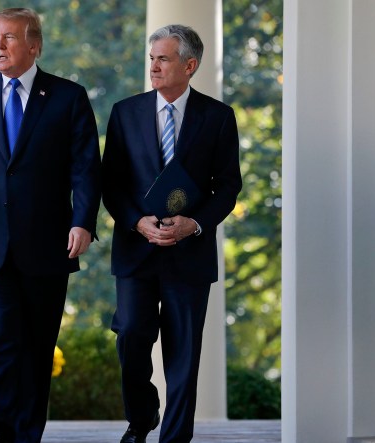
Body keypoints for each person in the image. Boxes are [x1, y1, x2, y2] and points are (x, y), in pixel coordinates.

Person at [0, 7, 101, 443]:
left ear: (34, 45)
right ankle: (1, 426)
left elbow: (86, 169)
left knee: (37, 343)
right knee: (2, 335)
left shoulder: (68, 97)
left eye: (9, 38)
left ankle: (27, 433)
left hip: (48, 242)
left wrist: (83, 222)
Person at [101, 24, 242, 443]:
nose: (154, 66)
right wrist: (136, 221)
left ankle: (175, 438)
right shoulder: (125, 112)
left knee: (183, 355)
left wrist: (194, 224)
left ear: (190, 65)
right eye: (152, 59)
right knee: (130, 336)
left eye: (163, 58)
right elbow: (111, 183)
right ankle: (141, 419)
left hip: (189, 253)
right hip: (136, 249)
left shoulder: (218, 117)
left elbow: (228, 187)